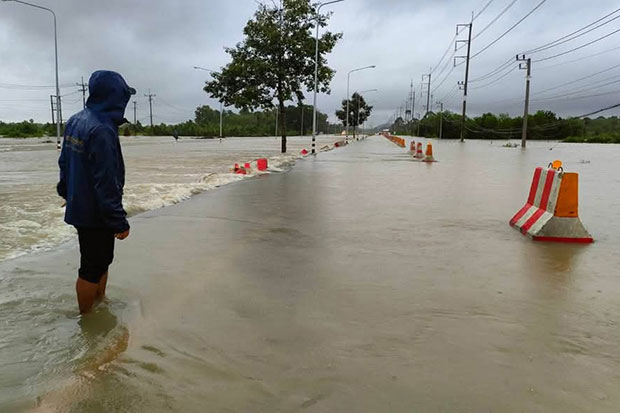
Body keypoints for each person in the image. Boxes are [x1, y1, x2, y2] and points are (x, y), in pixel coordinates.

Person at [57, 70, 135, 314]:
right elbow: (106, 181)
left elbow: (64, 163)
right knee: (91, 267)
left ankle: (100, 303)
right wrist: (118, 221)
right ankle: (87, 318)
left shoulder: (76, 120)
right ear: (115, 96)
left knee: (101, 260)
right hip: (96, 212)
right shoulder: (102, 129)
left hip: (81, 205)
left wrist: (66, 193)